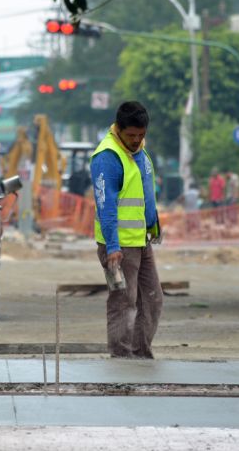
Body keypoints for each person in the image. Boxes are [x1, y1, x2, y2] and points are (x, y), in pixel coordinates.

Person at [90, 101, 163, 359]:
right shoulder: (107, 157)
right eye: (131, 135)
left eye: (141, 135)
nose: (136, 140)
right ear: (118, 129)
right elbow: (105, 205)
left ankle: (140, 353)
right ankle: (121, 357)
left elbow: (144, 193)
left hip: (141, 241)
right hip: (118, 246)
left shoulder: (140, 153)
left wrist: (153, 224)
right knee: (123, 301)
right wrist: (112, 247)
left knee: (152, 299)